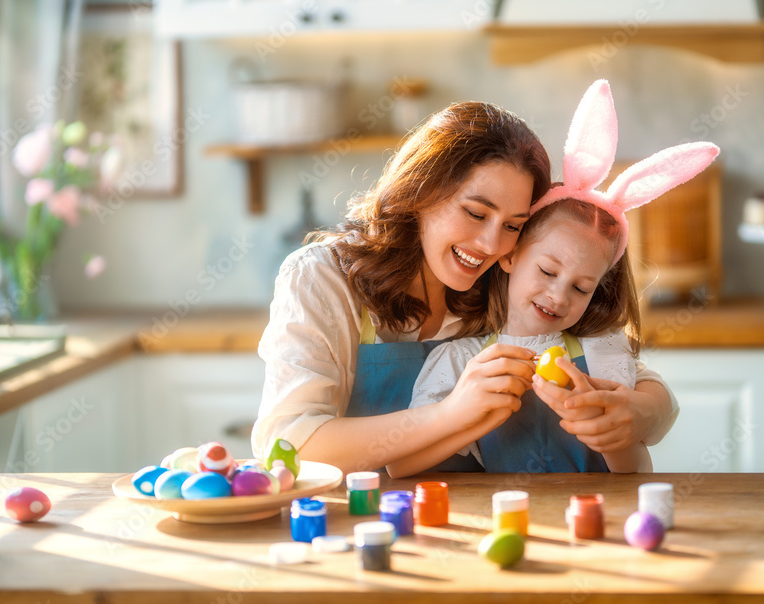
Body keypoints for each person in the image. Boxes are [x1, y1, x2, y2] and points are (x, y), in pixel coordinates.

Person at [251, 95, 681, 474]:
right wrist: (449, 415)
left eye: (513, 225)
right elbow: (286, 447)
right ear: (421, 190)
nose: (491, 244)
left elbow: (633, 380)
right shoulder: (322, 278)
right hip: (357, 520)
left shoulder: (504, 274)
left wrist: (643, 413)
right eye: (476, 213)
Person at [388, 80, 719, 477]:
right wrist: (465, 414)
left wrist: (600, 426)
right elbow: (400, 464)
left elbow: (637, 472)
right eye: (547, 271)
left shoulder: (601, 353)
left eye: (581, 287)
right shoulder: (459, 359)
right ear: (509, 256)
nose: (559, 296)